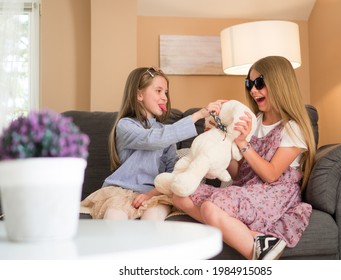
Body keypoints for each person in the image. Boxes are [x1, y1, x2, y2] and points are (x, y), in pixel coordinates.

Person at [173, 56, 316, 260]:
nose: (253, 90)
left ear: (279, 83)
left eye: (259, 83)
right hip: (247, 189)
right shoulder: (254, 121)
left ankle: (256, 254)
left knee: (210, 207)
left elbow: (271, 174)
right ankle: (258, 240)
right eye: (249, 84)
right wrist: (223, 141)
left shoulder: (292, 128)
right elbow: (239, 173)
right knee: (180, 194)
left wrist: (242, 143)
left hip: (274, 194)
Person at [81, 67, 224, 221]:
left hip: (154, 193)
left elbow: (171, 172)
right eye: (158, 91)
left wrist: (150, 194)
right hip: (120, 191)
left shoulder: (166, 132)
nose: (164, 98)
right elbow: (153, 139)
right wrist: (200, 114)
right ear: (139, 94)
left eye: (166, 93)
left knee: (153, 220)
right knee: (113, 217)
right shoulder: (125, 125)